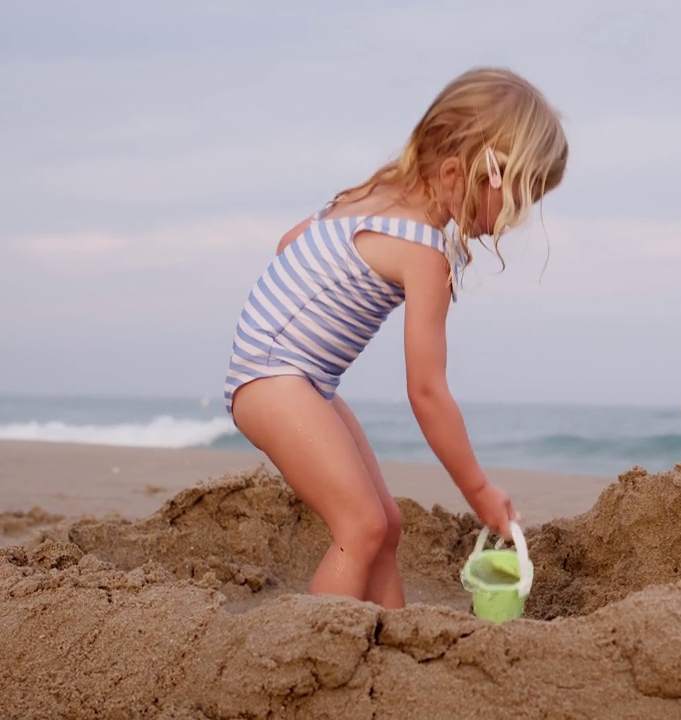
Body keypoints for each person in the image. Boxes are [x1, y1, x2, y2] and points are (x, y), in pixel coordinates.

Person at [223, 67, 569, 609]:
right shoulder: (424, 254)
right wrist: (479, 491)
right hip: (276, 378)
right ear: (462, 172)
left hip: (295, 376)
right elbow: (427, 392)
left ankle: (391, 632)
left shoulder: (370, 197)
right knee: (358, 526)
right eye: (518, 197)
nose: (516, 218)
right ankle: (309, 646)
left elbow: (289, 243)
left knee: (386, 523)